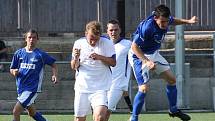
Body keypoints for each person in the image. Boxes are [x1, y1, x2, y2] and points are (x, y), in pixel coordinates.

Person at [128, 4, 198, 121]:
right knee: (144, 88)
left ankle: (173, 110)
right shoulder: (147, 28)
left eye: (166, 21)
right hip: (139, 56)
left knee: (172, 80)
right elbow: (134, 47)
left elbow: (173, 20)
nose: (165, 25)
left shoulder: (164, 19)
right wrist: (146, 61)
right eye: (163, 22)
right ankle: (134, 118)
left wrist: (188, 21)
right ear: (155, 18)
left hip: (153, 53)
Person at [71, 21, 116, 121]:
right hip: (82, 87)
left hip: (101, 87)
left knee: (100, 117)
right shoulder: (78, 43)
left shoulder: (107, 43)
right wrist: (76, 57)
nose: (93, 42)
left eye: (96, 39)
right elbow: (74, 66)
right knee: (79, 119)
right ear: (86, 33)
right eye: (91, 38)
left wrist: (99, 57)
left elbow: (113, 62)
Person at [10, 29, 58, 121]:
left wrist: (54, 75)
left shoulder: (41, 55)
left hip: (32, 88)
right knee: (32, 112)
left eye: (34, 38)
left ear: (37, 39)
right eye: (29, 37)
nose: (31, 39)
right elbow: (12, 69)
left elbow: (54, 64)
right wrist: (14, 71)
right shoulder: (18, 53)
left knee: (16, 111)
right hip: (21, 88)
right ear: (26, 39)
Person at [106, 19, 133, 120]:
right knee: (99, 113)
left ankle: (133, 112)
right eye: (111, 30)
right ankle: (133, 111)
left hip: (118, 84)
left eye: (116, 30)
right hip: (103, 83)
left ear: (120, 30)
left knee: (105, 112)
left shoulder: (128, 44)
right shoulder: (104, 43)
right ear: (107, 31)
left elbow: (138, 56)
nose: (113, 32)